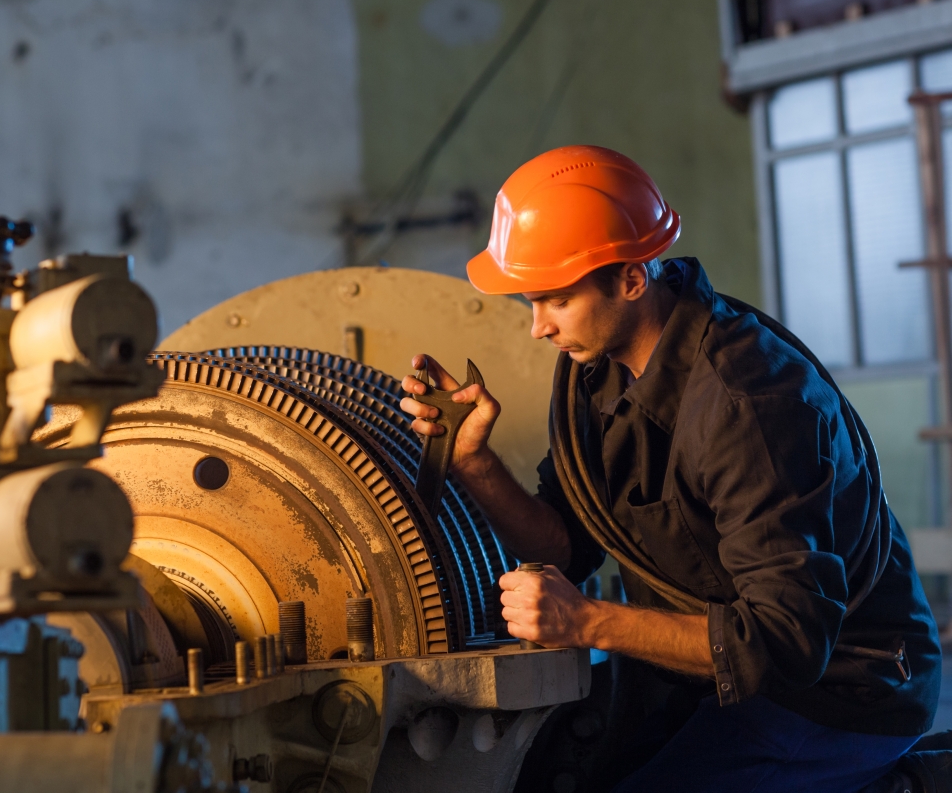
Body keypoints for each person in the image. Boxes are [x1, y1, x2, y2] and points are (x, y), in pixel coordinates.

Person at [400, 145, 941, 792]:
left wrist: (585, 622)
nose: (537, 328)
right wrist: (473, 462)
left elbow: (785, 642)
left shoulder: (749, 404)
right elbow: (568, 546)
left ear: (631, 279)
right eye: (532, 301)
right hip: (705, 678)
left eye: (555, 301)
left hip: (840, 691)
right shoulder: (593, 372)